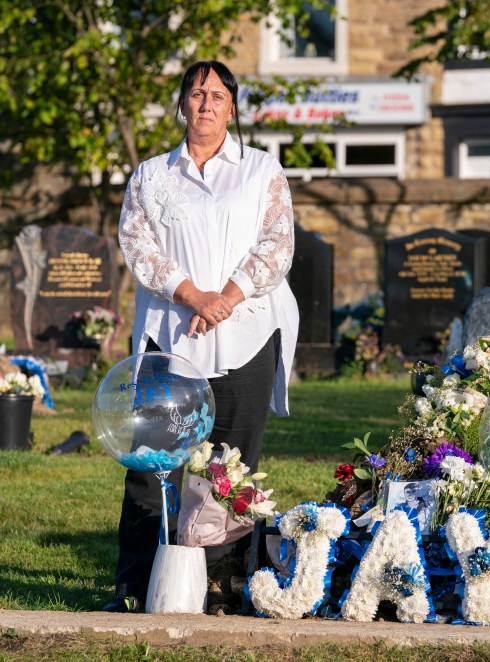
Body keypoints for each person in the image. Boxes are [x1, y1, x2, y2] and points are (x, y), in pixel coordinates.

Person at [104, 60, 299, 612]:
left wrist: (227, 300)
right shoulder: (151, 175)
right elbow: (139, 248)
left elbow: (276, 246)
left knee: (234, 463)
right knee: (152, 461)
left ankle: (224, 586)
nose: (206, 103)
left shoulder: (263, 171)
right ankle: (138, 586)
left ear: (233, 107)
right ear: (182, 105)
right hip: (172, 336)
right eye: (196, 93)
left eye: (217, 95)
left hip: (246, 334)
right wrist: (193, 296)